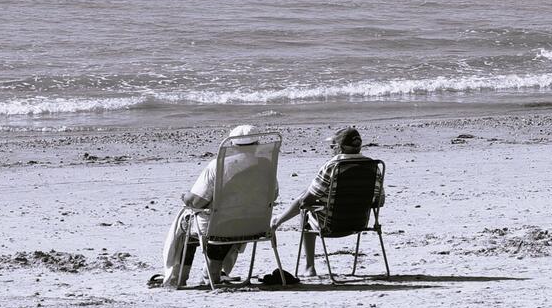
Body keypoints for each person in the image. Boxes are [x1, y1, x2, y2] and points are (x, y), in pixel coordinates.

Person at [159, 123, 280, 288]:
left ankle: (179, 277)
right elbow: (273, 195)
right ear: (258, 145)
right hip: (254, 225)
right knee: (230, 219)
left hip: (220, 226)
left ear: (232, 145)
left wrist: (185, 197)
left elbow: (197, 202)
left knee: (185, 222)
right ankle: (213, 271)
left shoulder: (218, 165)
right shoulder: (267, 166)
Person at [274, 125, 385, 275]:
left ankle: (309, 267)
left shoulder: (333, 166)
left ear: (339, 147)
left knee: (305, 211)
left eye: (332, 146)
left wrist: (318, 202)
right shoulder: (373, 166)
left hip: (331, 224)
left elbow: (305, 202)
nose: (330, 150)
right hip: (359, 222)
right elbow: (380, 202)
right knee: (307, 195)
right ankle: (278, 221)